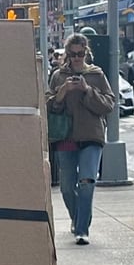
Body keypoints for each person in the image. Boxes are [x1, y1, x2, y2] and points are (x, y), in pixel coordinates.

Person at [46, 32, 116, 245]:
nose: (76, 57)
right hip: (66, 137)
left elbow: (108, 105)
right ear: (67, 54)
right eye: (73, 54)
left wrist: (87, 90)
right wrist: (63, 91)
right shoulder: (58, 76)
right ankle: (78, 218)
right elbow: (50, 106)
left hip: (91, 135)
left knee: (86, 182)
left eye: (80, 53)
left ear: (86, 53)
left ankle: (82, 229)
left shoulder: (96, 75)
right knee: (67, 187)